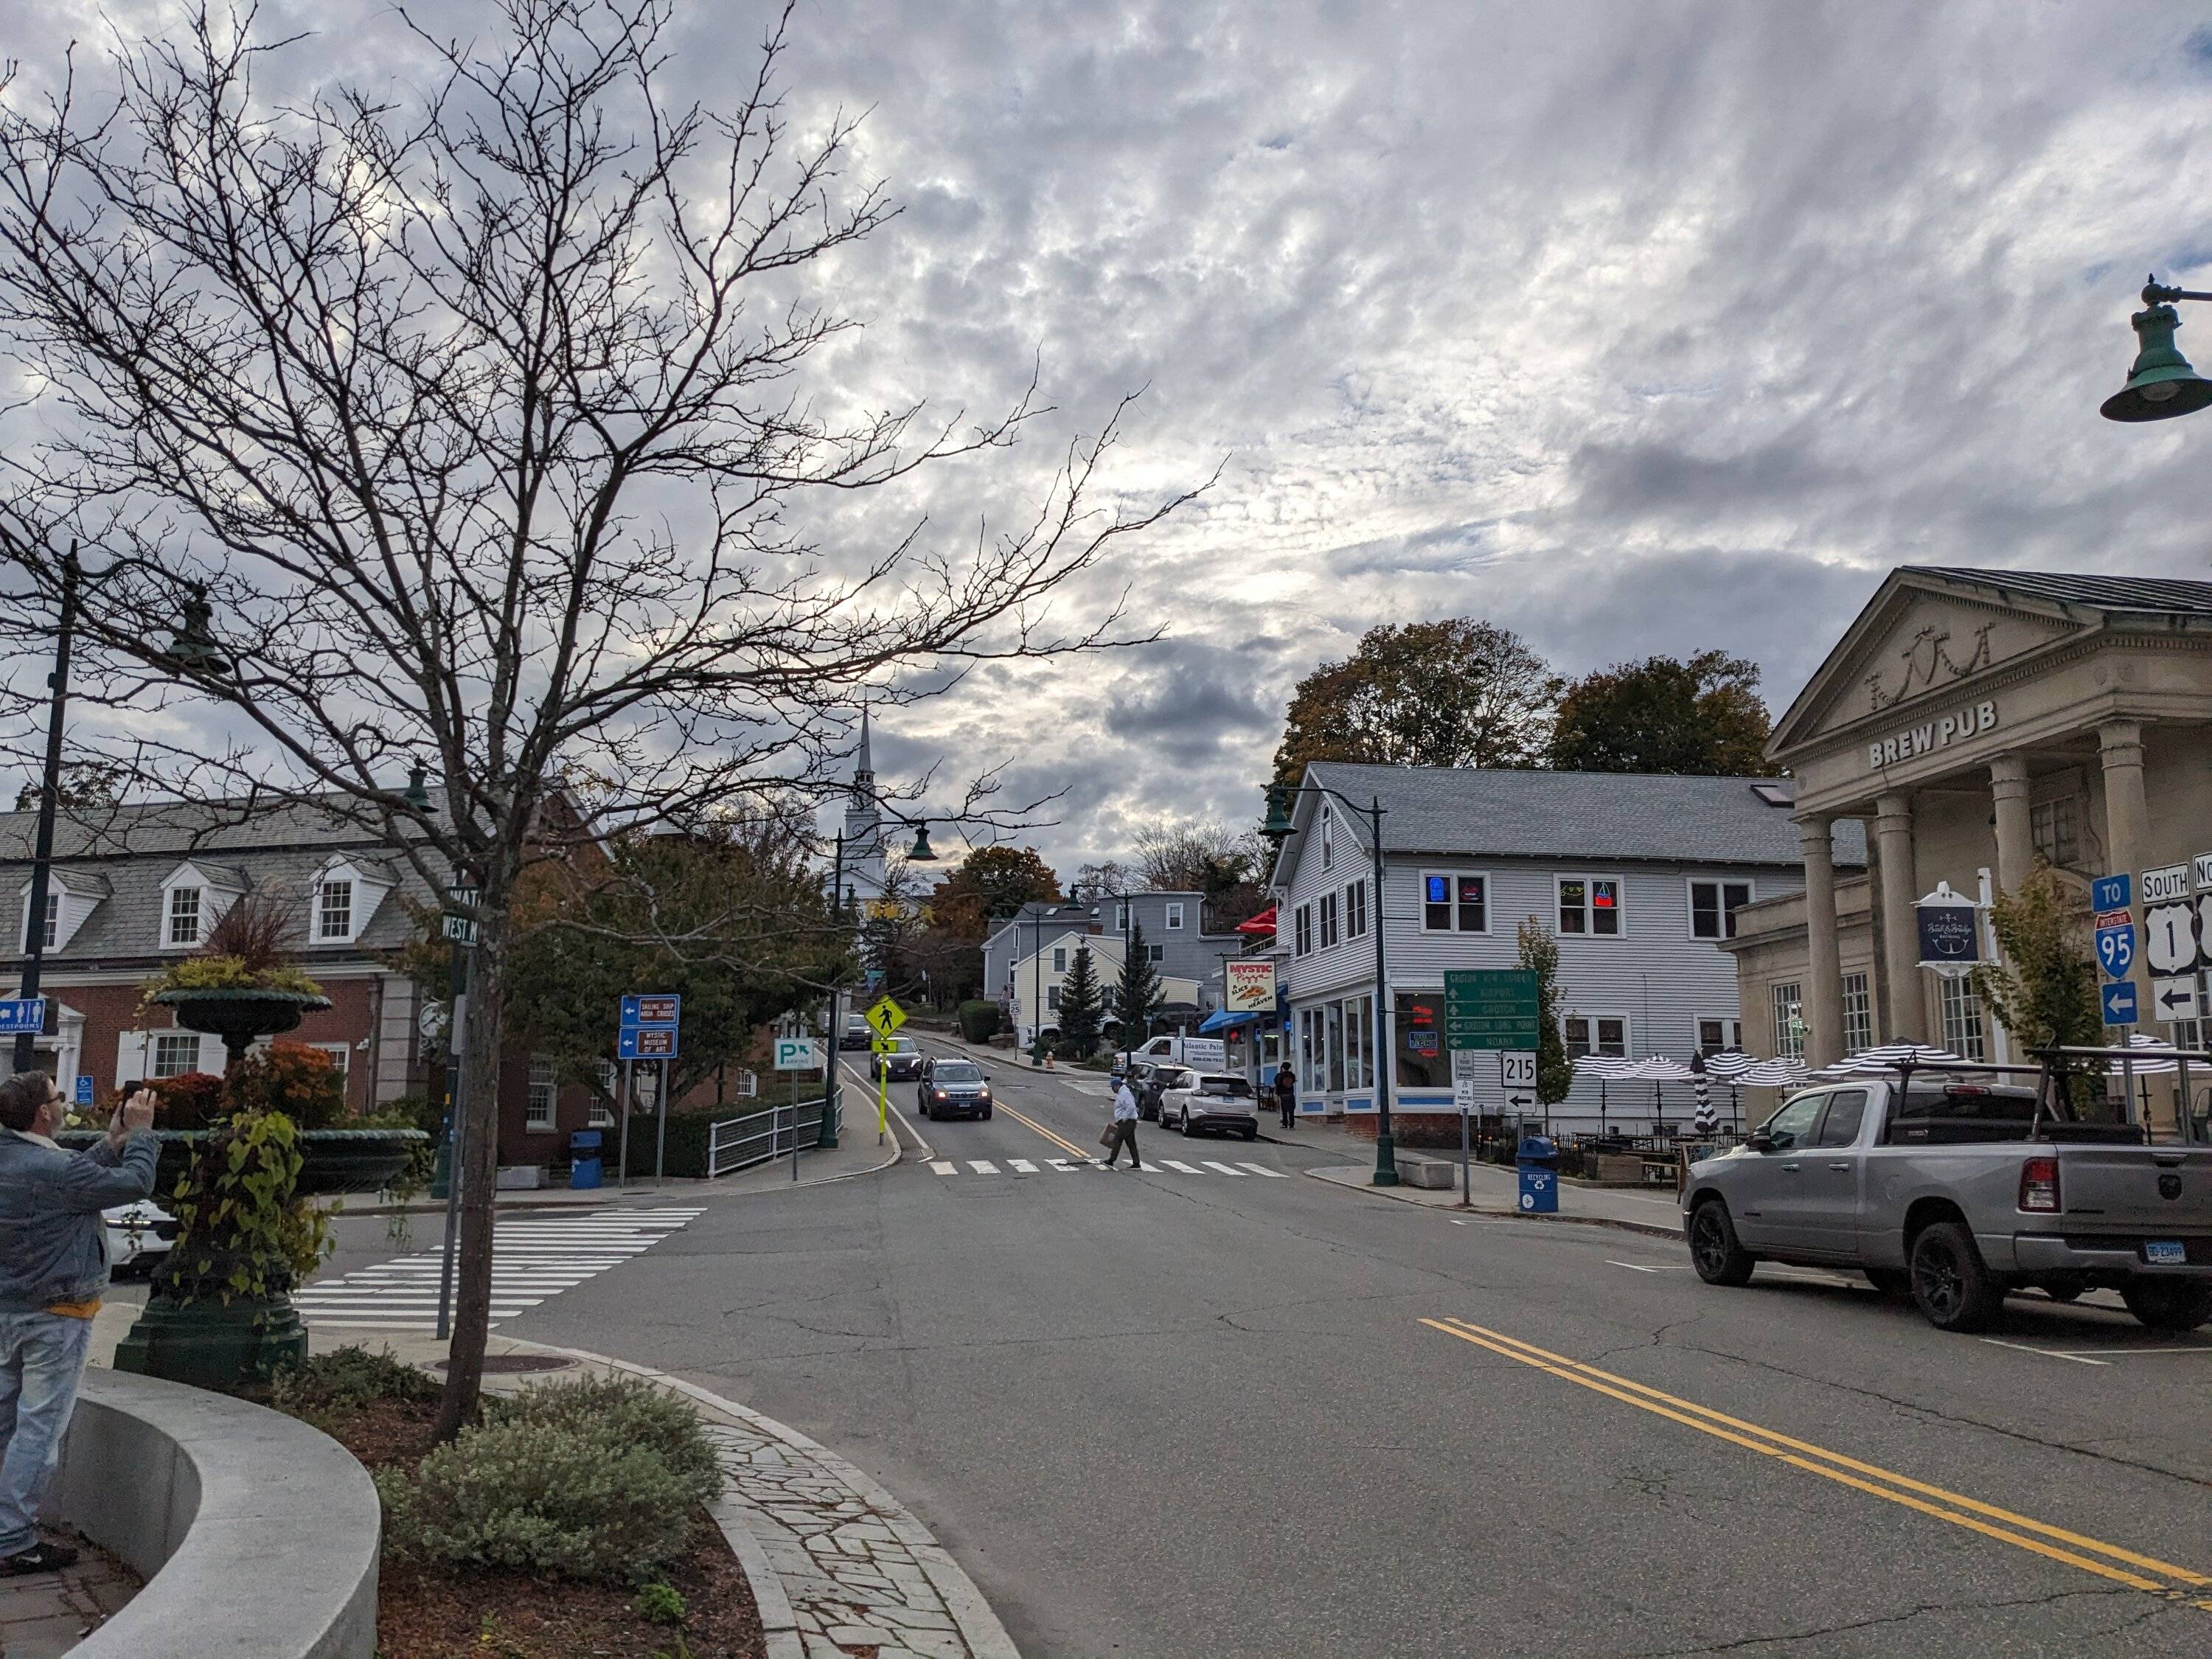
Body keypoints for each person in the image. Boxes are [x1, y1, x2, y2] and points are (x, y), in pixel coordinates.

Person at [0, 1073, 159, 1575]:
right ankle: (11, 1539)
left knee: (5, 1423)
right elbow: (135, 1184)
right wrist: (142, 1134)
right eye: (56, 1097)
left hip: (7, 1313)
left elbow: (67, 1178)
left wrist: (111, 1143)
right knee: (38, 1430)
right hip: (57, 1316)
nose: (63, 1102)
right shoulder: (54, 1168)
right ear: (42, 1114)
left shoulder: (23, 1161)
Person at [1100, 1075, 1142, 1170]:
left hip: (1127, 1122)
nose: (1112, 1089)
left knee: (1117, 1140)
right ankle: (1136, 1163)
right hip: (1128, 1121)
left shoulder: (1125, 1094)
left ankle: (1111, 1160)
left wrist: (1124, 1118)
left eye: (1113, 1087)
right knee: (1131, 1142)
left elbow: (1131, 1107)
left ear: (1117, 1086)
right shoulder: (1122, 1093)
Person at [1274, 1063, 1296, 1130]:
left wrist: (1277, 1093)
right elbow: (1293, 1083)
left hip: (1283, 1095)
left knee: (1284, 1111)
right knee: (1291, 1111)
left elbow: (1277, 1084)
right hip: (1291, 1095)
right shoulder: (1292, 1075)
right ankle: (1292, 1125)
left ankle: (1285, 1124)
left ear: (1283, 1068)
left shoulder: (1280, 1075)